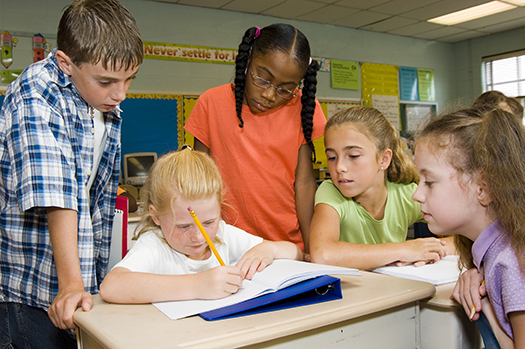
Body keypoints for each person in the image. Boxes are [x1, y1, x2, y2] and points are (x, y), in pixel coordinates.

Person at [0, 0, 143, 347]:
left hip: (76, 279)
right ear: (66, 63)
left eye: (130, 79)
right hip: (29, 288)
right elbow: (56, 194)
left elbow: (95, 194)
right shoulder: (36, 93)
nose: (120, 93)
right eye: (108, 81)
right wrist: (71, 284)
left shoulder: (99, 99)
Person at [184, 23, 326, 253]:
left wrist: (312, 249)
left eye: (285, 89)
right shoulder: (211, 103)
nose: (269, 95)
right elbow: (200, 183)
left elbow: (304, 184)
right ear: (248, 58)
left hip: (286, 249)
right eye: (262, 78)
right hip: (227, 247)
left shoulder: (303, 108)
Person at [99, 148, 302, 303]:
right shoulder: (154, 244)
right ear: (156, 217)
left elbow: (296, 253)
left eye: (208, 222)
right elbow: (111, 287)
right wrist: (197, 285)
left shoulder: (223, 234)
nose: (199, 236)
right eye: (184, 226)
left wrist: (270, 248)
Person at [412, 108, 525, 348]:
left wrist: (485, 306)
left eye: (429, 182)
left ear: (483, 188)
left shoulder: (512, 262)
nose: (417, 194)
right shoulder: (496, 252)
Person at [309, 106, 449, 270]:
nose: (339, 167)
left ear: (384, 159)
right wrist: (404, 249)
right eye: (332, 157)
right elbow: (323, 254)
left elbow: (466, 234)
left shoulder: (407, 194)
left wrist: (433, 250)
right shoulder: (330, 191)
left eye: (353, 156)